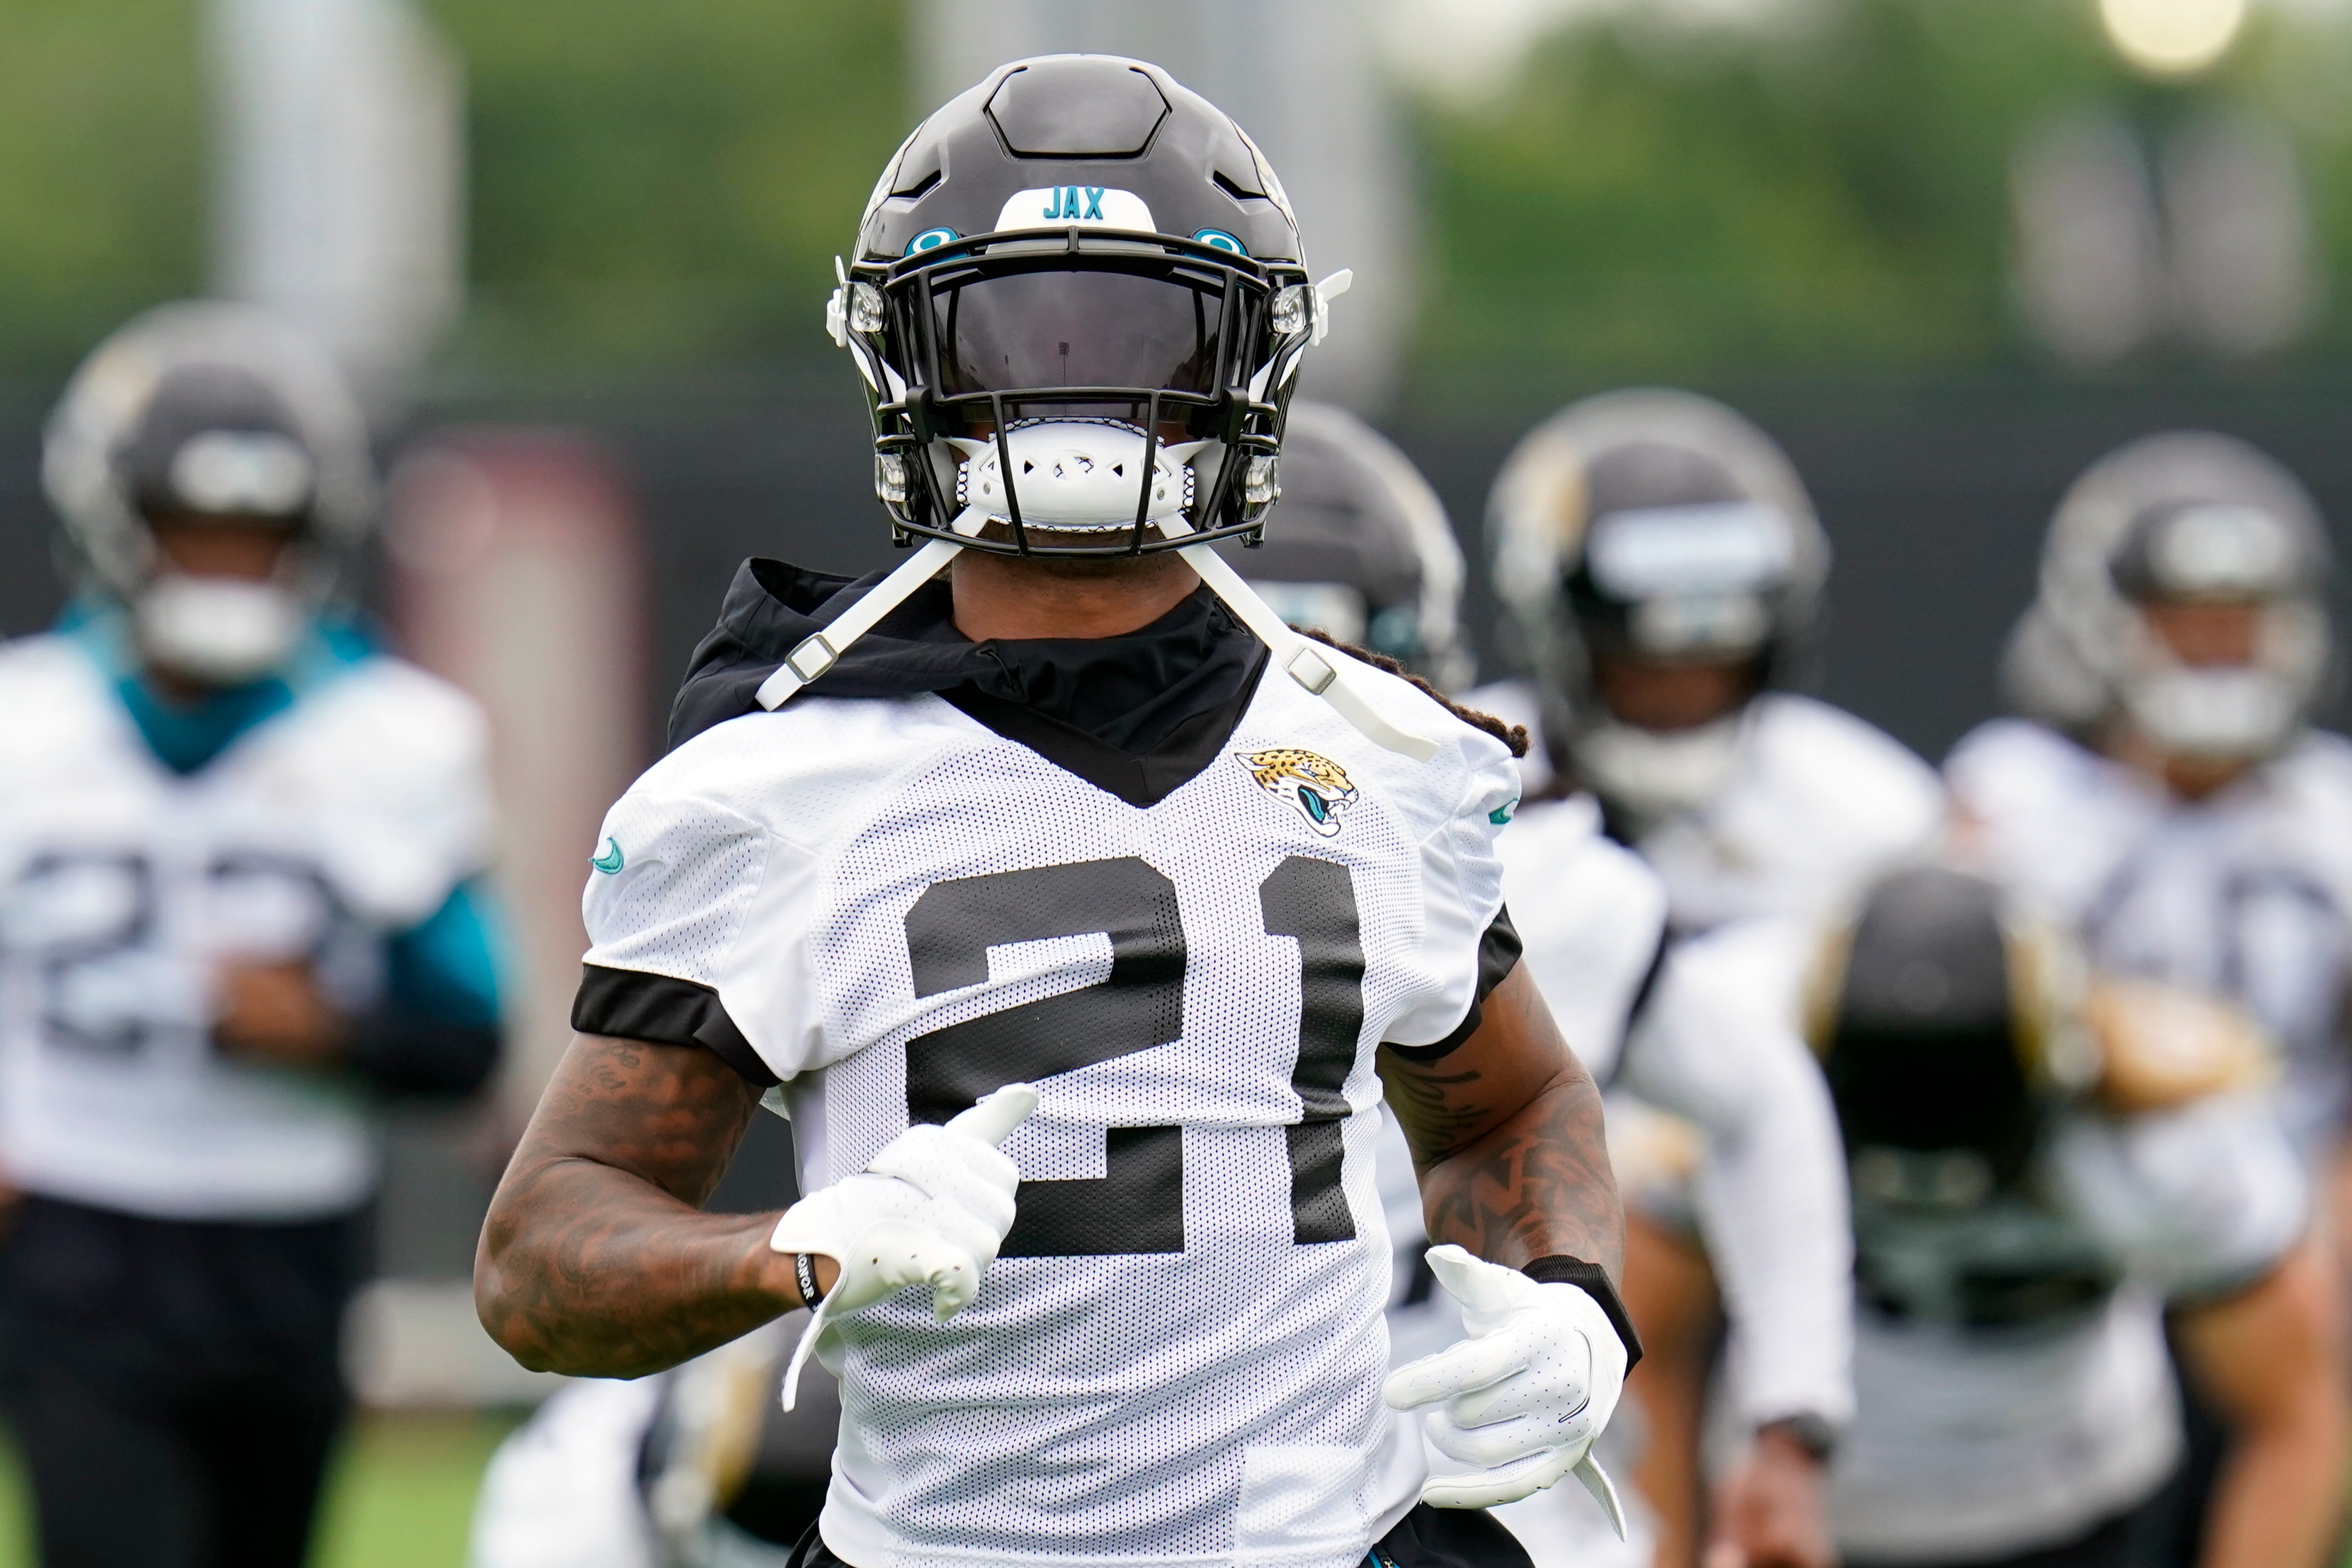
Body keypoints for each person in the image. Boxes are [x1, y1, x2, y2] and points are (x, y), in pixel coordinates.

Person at [475, 54, 1636, 1568]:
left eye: (1141, 332)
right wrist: (795, 1249)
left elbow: (1514, 1104)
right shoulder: (783, 782)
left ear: (1250, 360)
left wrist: (1570, 1297)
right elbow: (540, 1257)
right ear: (906, 355)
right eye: (1012, 329)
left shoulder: (1381, 753)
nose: (1074, 385)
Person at [1231, 403, 1851, 1568]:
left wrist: (1788, 1421)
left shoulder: (1531, 865)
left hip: (1468, 1500)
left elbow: (1762, 1102)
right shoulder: (988, 860)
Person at [0, 301, 506, 1568]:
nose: (223, 565)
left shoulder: (395, 737)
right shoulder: (22, 727)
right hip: (76, 1224)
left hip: (286, 1238)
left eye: (254, 534)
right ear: (113, 522)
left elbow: (465, 1039)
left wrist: (331, 1029)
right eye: (192, 529)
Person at [1477, 388, 1938, 1563]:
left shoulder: (1867, 811)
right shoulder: (1466, 785)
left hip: (1854, 1211)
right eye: (1644, 661)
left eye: (1711, 657)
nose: (1679, 687)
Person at [1796, 863, 2344, 1568]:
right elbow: (1655, 1349)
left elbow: (2292, 1416)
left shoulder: (2166, 1151)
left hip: (2078, 1502)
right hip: (1806, 1495)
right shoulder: (1734, 1079)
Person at [1947, 432, 2352, 1170]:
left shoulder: (2334, 813)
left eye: (2239, 617)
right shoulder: (2012, 795)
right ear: (2103, 621)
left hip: (2305, 1221)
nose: (2215, 645)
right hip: (2070, 1212)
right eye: (2185, 618)